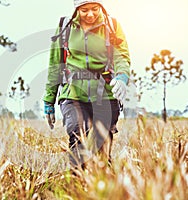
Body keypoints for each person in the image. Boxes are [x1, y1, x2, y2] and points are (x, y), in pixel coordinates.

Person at [43, 0, 130, 168]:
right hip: (73, 93)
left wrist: (122, 76)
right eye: (84, 10)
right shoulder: (65, 26)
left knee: (102, 143)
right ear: (76, 9)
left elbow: (121, 56)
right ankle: (77, 184)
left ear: (101, 7)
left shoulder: (111, 26)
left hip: (105, 93)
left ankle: (102, 186)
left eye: (95, 9)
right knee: (78, 135)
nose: (90, 14)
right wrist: (49, 101)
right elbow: (55, 65)